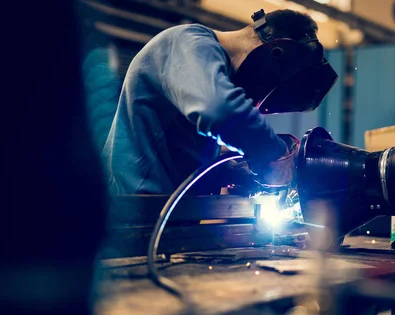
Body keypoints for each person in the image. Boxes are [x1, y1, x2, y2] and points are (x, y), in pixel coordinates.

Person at [102, 9, 337, 195]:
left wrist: (233, 171)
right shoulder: (189, 41)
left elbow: (178, 150)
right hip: (129, 215)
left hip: (163, 219)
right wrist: (275, 153)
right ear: (275, 53)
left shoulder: (207, 74)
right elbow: (220, 110)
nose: (255, 106)